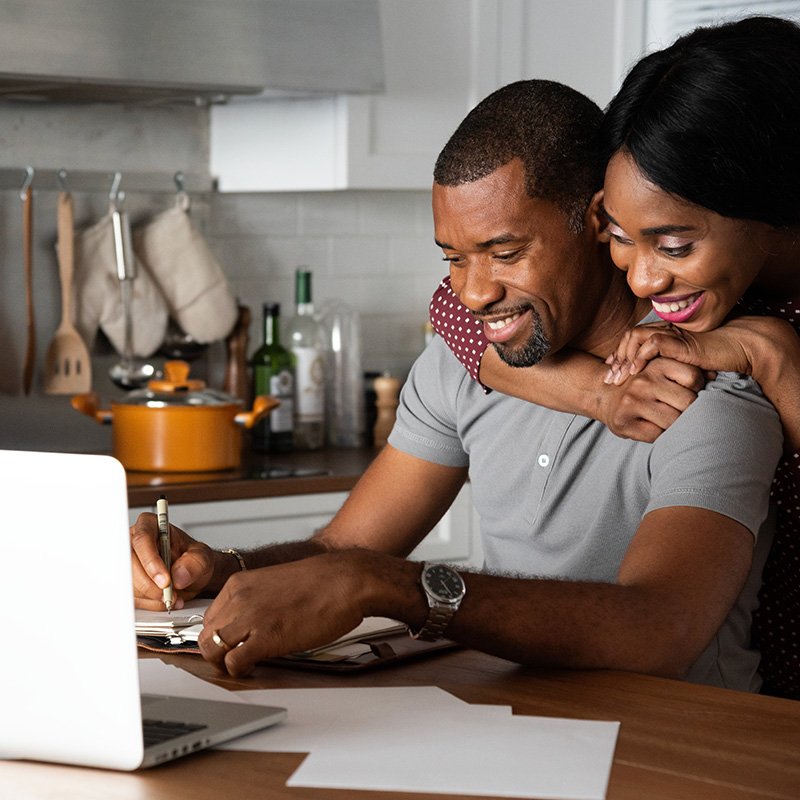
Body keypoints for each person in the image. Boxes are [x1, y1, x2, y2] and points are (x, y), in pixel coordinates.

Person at [131, 80, 782, 692]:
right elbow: (343, 548)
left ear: (599, 224)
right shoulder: (459, 364)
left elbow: (659, 627)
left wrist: (389, 586)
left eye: (504, 253)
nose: (472, 292)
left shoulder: (699, 386)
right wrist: (221, 570)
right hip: (508, 727)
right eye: (453, 257)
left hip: (682, 750)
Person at [428, 16, 800, 700]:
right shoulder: (700, 304)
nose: (643, 281)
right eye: (621, 237)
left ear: (772, 203)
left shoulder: (750, 329)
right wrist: (599, 394)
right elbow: (452, 312)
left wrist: (772, 357)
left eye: (674, 246)